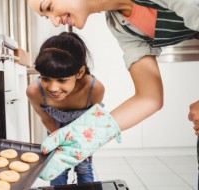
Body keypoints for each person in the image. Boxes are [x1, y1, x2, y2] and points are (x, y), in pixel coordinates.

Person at [28, 0, 199, 182]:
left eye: (49, 8)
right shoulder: (120, 26)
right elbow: (149, 97)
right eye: (46, 17)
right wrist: (89, 136)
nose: (55, 22)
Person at [26, 32, 105, 185]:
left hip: (83, 134)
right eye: (45, 78)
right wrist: (59, 143)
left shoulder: (94, 89)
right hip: (56, 131)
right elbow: (46, 118)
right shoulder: (34, 91)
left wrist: (85, 146)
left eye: (62, 80)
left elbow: (93, 121)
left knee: (84, 168)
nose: (53, 88)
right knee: (56, 170)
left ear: (79, 73)